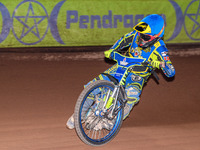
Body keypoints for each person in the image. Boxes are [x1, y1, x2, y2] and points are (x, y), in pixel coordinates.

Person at [66, 14, 175, 129]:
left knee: (131, 97)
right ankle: (79, 114)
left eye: (146, 37)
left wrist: (165, 66)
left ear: (157, 36)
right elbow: (122, 41)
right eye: (141, 34)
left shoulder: (160, 49)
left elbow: (171, 72)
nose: (141, 38)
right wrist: (112, 50)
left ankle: (112, 121)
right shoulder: (135, 35)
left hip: (138, 76)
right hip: (122, 66)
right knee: (93, 85)